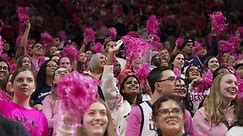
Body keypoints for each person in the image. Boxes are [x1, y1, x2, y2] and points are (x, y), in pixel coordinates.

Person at [101, 42, 143, 135]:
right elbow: (107, 84)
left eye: (136, 83)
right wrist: (111, 54)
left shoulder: (146, 104)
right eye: (129, 83)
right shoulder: (117, 103)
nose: (133, 84)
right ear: (122, 89)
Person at [125, 67, 176, 136]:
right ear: (158, 86)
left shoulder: (183, 112)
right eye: (172, 79)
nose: (177, 83)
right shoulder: (139, 112)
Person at [0, 68, 49, 136]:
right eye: (20, 80)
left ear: (34, 87)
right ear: (12, 86)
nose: (25, 83)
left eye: (29, 80)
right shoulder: (1, 106)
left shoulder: (41, 117)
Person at [42, 67, 70, 136]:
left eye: (65, 72)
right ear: (54, 81)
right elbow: (46, 122)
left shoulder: (77, 98)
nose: (62, 73)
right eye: (59, 73)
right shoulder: (49, 99)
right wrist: (59, 118)